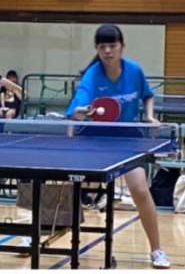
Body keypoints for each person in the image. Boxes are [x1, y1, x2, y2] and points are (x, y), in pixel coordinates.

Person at [65, 24, 170, 269]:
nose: (108, 51)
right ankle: (40, 233)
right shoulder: (92, 75)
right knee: (68, 186)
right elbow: (79, 105)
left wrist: (149, 116)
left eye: (112, 46)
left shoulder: (134, 70)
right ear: (97, 49)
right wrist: (80, 112)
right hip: (96, 139)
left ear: (122, 46)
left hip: (127, 138)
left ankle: (157, 250)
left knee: (140, 190)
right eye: (103, 46)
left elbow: (148, 95)